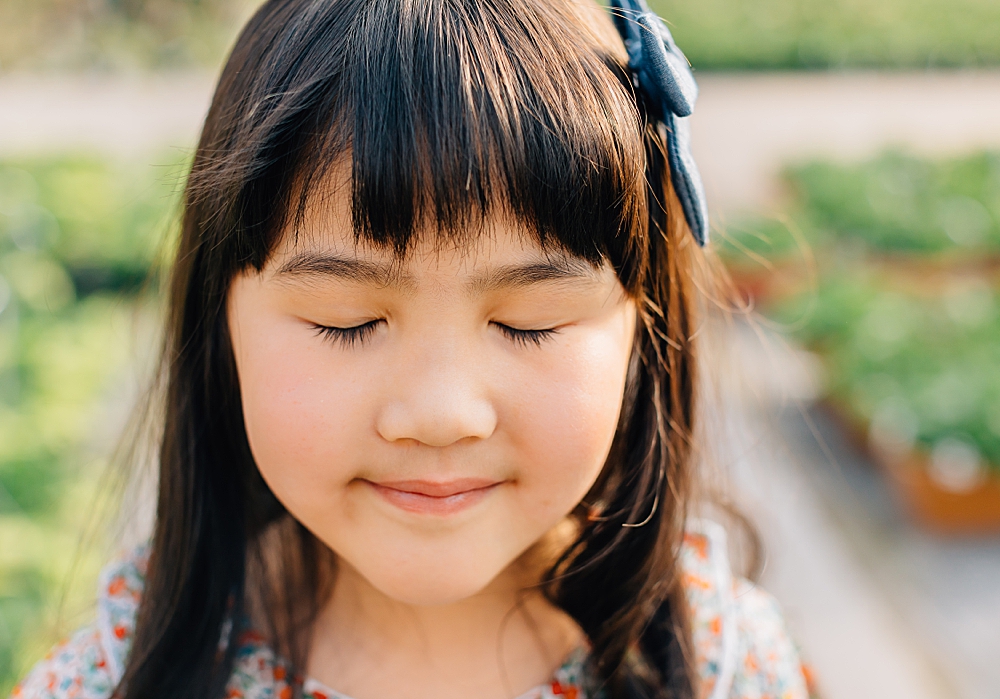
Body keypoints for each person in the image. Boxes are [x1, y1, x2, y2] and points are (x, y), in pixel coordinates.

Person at [11, 0, 814, 698]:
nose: (439, 414)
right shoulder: (115, 679)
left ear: (644, 326)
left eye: (529, 320)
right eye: (347, 319)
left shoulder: (725, 667)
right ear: (219, 322)